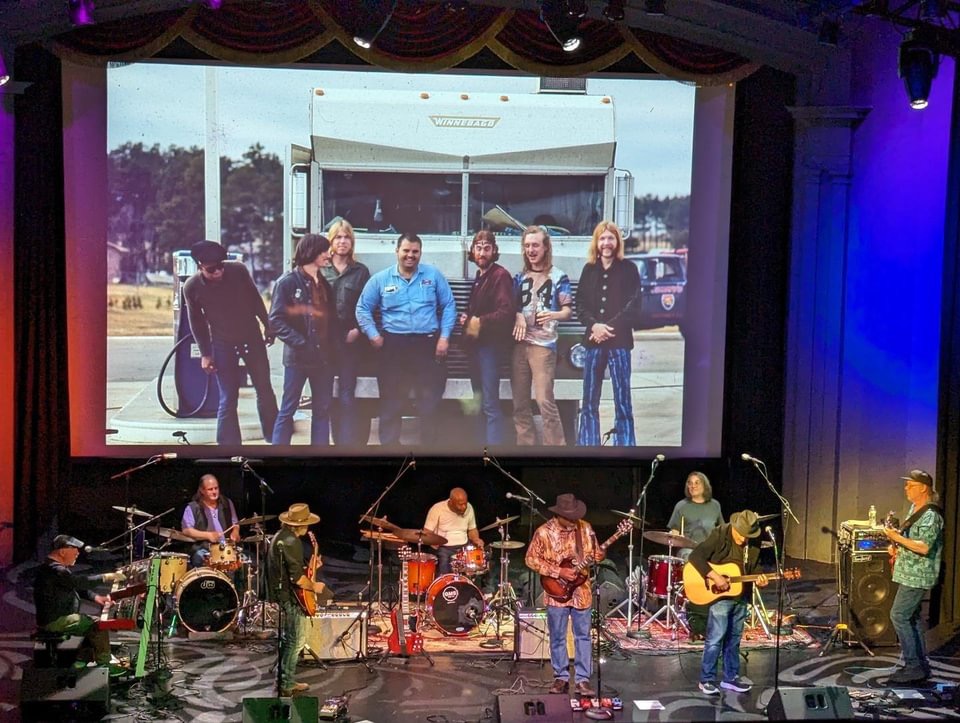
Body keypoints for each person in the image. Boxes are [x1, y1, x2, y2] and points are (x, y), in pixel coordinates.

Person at [356, 233, 456, 446]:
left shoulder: (433, 275)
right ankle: (390, 454)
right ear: (397, 251)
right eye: (406, 251)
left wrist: (444, 337)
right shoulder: (381, 279)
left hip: (427, 347)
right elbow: (362, 308)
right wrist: (373, 335)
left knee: (429, 404)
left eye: (415, 251)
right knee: (391, 403)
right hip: (394, 347)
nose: (410, 255)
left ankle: (429, 453)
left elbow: (448, 305)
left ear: (420, 253)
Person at [182, 240, 278, 445]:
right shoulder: (192, 287)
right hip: (222, 342)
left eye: (221, 265)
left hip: (251, 337)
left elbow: (255, 299)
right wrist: (205, 354)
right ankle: (228, 446)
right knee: (228, 396)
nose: (218, 271)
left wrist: (268, 326)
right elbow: (196, 322)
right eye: (212, 268)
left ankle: (275, 439)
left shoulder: (238, 271)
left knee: (264, 388)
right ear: (199, 266)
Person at [525, 493, 603, 697]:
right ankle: (560, 677)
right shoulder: (543, 533)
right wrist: (558, 572)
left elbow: (594, 553)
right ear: (558, 515)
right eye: (568, 518)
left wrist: (598, 555)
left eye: (574, 518)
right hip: (555, 592)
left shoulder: (585, 528)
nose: (572, 522)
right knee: (558, 637)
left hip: (581, 591)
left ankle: (583, 680)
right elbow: (531, 559)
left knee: (583, 637)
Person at [687, 510, 769, 695]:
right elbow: (696, 557)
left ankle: (730, 678)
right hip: (720, 596)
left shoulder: (752, 541)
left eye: (748, 536)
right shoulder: (720, 534)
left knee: (734, 640)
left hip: (741, 595)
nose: (744, 539)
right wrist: (715, 576)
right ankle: (706, 679)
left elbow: (754, 568)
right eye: (741, 534)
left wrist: (761, 579)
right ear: (734, 527)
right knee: (715, 639)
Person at [575, 221, 640, 446]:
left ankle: (625, 445)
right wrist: (595, 326)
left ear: (617, 242)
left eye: (610, 238)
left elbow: (634, 305)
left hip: (620, 343)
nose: (606, 243)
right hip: (593, 343)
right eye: (602, 238)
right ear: (596, 242)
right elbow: (580, 304)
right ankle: (588, 444)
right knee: (589, 400)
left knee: (622, 399)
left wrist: (607, 328)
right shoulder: (588, 269)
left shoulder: (629, 269)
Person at [270, 234, 339, 446]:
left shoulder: (324, 284)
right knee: (288, 408)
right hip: (298, 359)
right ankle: (278, 457)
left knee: (322, 410)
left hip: (323, 359)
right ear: (312, 253)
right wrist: (301, 343)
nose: (329, 255)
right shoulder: (287, 283)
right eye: (324, 251)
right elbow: (275, 320)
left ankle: (319, 458)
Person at [511, 226, 573, 446]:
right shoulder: (520, 277)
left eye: (535, 245)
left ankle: (555, 450)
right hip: (520, 345)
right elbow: (512, 305)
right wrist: (518, 314)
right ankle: (525, 448)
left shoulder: (558, 276)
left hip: (543, 346)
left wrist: (553, 314)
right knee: (519, 402)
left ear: (546, 247)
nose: (531, 250)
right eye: (527, 245)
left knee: (544, 399)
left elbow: (568, 311)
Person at [882, 468, 944, 684]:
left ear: (924, 488)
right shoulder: (914, 508)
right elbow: (911, 539)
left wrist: (897, 539)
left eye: (910, 485)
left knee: (898, 615)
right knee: (912, 617)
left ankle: (914, 665)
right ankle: (920, 665)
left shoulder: (931, 515)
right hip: (908, 573)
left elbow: (924, 547)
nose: (906, 488)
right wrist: (897, 546)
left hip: (917, 576)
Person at [459, 230, 515, 446]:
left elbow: (506, 312)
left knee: (490, 404)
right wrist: (468, 318)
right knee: (480, 401)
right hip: (477, 348)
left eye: (487, 248)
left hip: (490, 349)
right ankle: (481, 450)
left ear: (494, 251)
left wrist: (478, 321)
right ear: (472, 251)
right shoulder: (480, 276)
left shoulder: (500, 275)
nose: (482, 252)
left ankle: (493, 454)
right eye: (478, 248)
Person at [33, 535, 124, 667]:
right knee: (97, 625)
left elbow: (73, 585)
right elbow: (80, 582)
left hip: (55, 617)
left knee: (87, 622)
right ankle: (105, 665)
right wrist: (106, 576)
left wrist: (96, 598)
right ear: (62, 551)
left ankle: (82, 660)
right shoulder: (55, 570)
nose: (78, 553)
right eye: (74, 549)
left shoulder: (52, 568)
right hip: (55, 621)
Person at [266, 503, 327, 697]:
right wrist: (314, 586)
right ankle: (287, 683)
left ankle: (284, 679)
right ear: (299, 525)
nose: (308, 528)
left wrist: (311, 567)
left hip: (280, 593)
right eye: (306, 524)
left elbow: (293, 569)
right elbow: (297, 578)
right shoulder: (292, 542)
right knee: (296, 640)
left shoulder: (281, 537)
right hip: (289, 597)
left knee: (288, 639)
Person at [320, 219, 372, 447]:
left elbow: (369, 306)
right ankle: (333, 444)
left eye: (347, 237)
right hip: (325, 342)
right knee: (327, 395)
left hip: (351, 341)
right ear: (331, 241)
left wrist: (358, 330)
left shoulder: (360, 272)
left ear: (352, 242)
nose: (342, 241)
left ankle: (348, 446)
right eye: (338, 237)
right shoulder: (321, 269)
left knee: (347, 395)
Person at [181, 473, 241, 568]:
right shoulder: (192, 507)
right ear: (202, 490)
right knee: (199, 557)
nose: (214, 492)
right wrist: (208, 535)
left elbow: (235, 523)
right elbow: (186, 530)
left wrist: (235, 532)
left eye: (216, 488)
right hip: (204, 549)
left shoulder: (227, 503)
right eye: (210, 489)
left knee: (245, 560)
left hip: (226, 548)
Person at [424, 487, 484, 575]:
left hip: (464, 547)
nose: (464, 507)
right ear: (451, 502)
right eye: (460, 504)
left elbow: (472, 529)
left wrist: (476, 539)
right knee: (444, 567)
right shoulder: (437, 509)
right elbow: (427, 532)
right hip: (444, 548)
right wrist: (432, 541)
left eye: (465, 504)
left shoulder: (469, 508)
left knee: (478, 563)